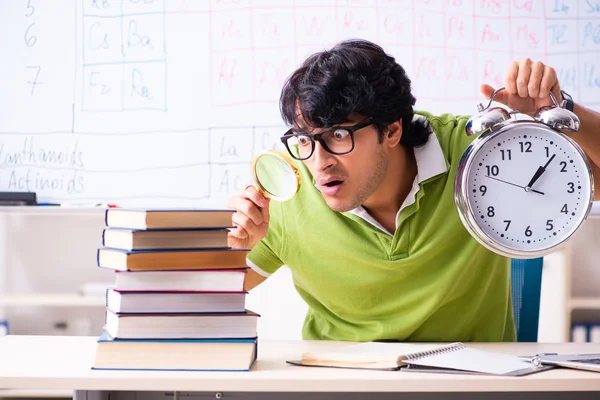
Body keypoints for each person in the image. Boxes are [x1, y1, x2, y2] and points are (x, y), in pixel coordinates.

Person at [227, 39, 600, 342]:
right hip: (342, 384)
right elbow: (209, 299)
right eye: (305, 140)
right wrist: (236, 246)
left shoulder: (475, 155)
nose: (320, 162)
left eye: (339, 135)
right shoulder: (288, 187)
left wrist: (561, 107)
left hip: (469, 386)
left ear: (391, 131)